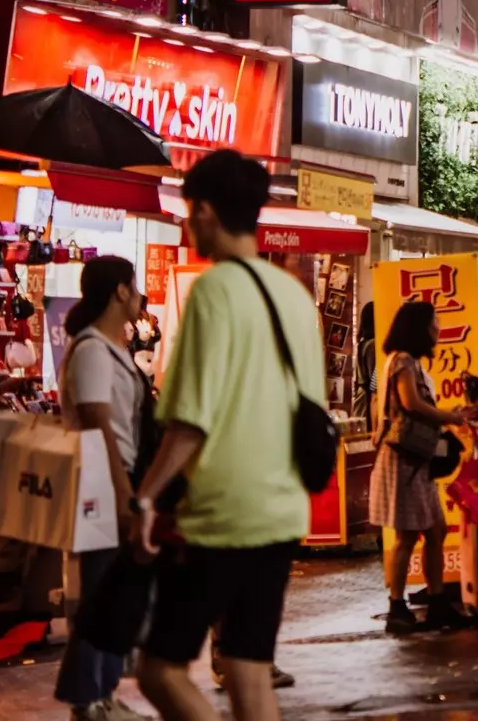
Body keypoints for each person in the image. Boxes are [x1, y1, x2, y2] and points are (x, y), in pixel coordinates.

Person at [131, 151, 326, 721]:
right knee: (248, 669)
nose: (188, 225)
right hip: (284, 509)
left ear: (208, 211)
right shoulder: (292, 294)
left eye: (190, 212)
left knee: (160, 669)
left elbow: (190, 421)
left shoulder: (213, 293)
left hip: (223, 513)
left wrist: (146, 496)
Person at [54, 256, 151, 721]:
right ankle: (86, 698)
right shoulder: (92, 349)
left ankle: (102, 693)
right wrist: (122, 492)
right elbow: (99, 428)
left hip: (111, 478)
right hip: (99, 481)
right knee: (98, 592)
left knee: (109, 591)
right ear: (118, 291)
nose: (139, 298)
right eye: (135, 288)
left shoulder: (107, 346)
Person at [370, 301, 474, 635]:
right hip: (404, 459)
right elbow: (410, 403)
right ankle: (397, 607)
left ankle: (437, 601)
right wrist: (451, 417)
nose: (438, 328)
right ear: (419, 328)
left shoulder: (407, 361)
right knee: (406, 535)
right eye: (434, 322)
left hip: (417, 459)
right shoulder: (401, 360)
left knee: (435, 529)